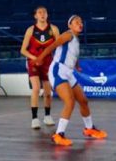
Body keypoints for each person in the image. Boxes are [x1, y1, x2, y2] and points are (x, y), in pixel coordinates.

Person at [34, 15, 107, 147]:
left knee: (83, 101)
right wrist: (40, 58)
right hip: (58, 70)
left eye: (81, 22)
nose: (80, 23)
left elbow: (72, 54)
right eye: (76, 22)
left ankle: (89, 128)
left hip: (68, 72)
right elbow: (53, 45)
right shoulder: (68, 35)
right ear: (70, 25)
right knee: (70, 101)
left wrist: (77, 65)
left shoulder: (76, 40)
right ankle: (59, 134)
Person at [20, 6, 58, 129]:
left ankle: (47, 116)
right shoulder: (30, 30)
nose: (42, 14)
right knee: (36, 88)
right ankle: (34, 118)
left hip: (48, 62)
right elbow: (23, 50)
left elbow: (59, 47)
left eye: (44, 12)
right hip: (33, 61)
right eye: (40, 12)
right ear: (35, 16)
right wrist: (34, 58)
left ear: (47, 15)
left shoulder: (54, 29)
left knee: (48, 92)